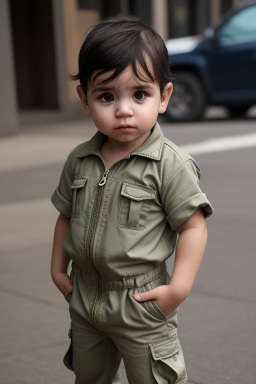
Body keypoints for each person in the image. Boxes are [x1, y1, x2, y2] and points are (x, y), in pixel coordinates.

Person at [50, 16, 213, 384]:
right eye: (107, 96)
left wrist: (178, 289)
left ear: (164, 97)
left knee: (154, 378)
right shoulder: (79, 160)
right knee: (88, 377)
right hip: (85, 296)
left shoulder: (170, 164)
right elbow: (66, 215)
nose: (124, 109)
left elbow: (193, 226)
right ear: (85, 99)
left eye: (139, 94)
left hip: (141, 301)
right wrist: (58, 267)